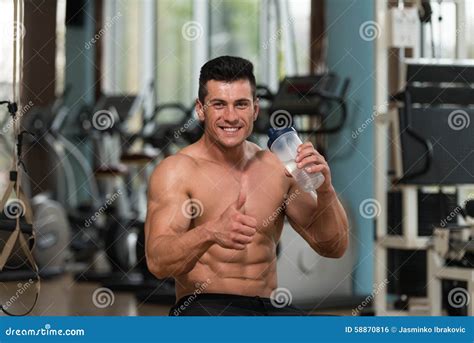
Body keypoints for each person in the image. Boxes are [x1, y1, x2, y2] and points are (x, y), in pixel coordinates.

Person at [144, 56, 349, 316]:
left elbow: (333, 247)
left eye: (241, 104)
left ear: (255, 109)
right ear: (200, 109)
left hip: (268, 309)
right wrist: (209, 232)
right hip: (206, 307)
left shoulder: (277, 168)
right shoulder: (177, 171)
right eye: (219, 104)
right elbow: (158, 262)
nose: (231, 117)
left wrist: (325, 189)